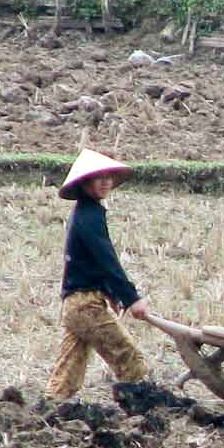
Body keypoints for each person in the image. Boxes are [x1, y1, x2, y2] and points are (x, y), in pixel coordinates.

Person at [45, 148, 154, 401]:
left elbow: (90, 262)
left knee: (68, 373)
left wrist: (109, 292)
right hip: (85, 305)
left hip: (76, 304)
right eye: (99, 177)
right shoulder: (90, 216)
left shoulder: (85, 214)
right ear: (85, 181)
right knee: (130, 360)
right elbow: (107, 261)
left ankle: (49, 411)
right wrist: (131, 298)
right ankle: (144, 414)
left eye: (109, 176)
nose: (106, 181)